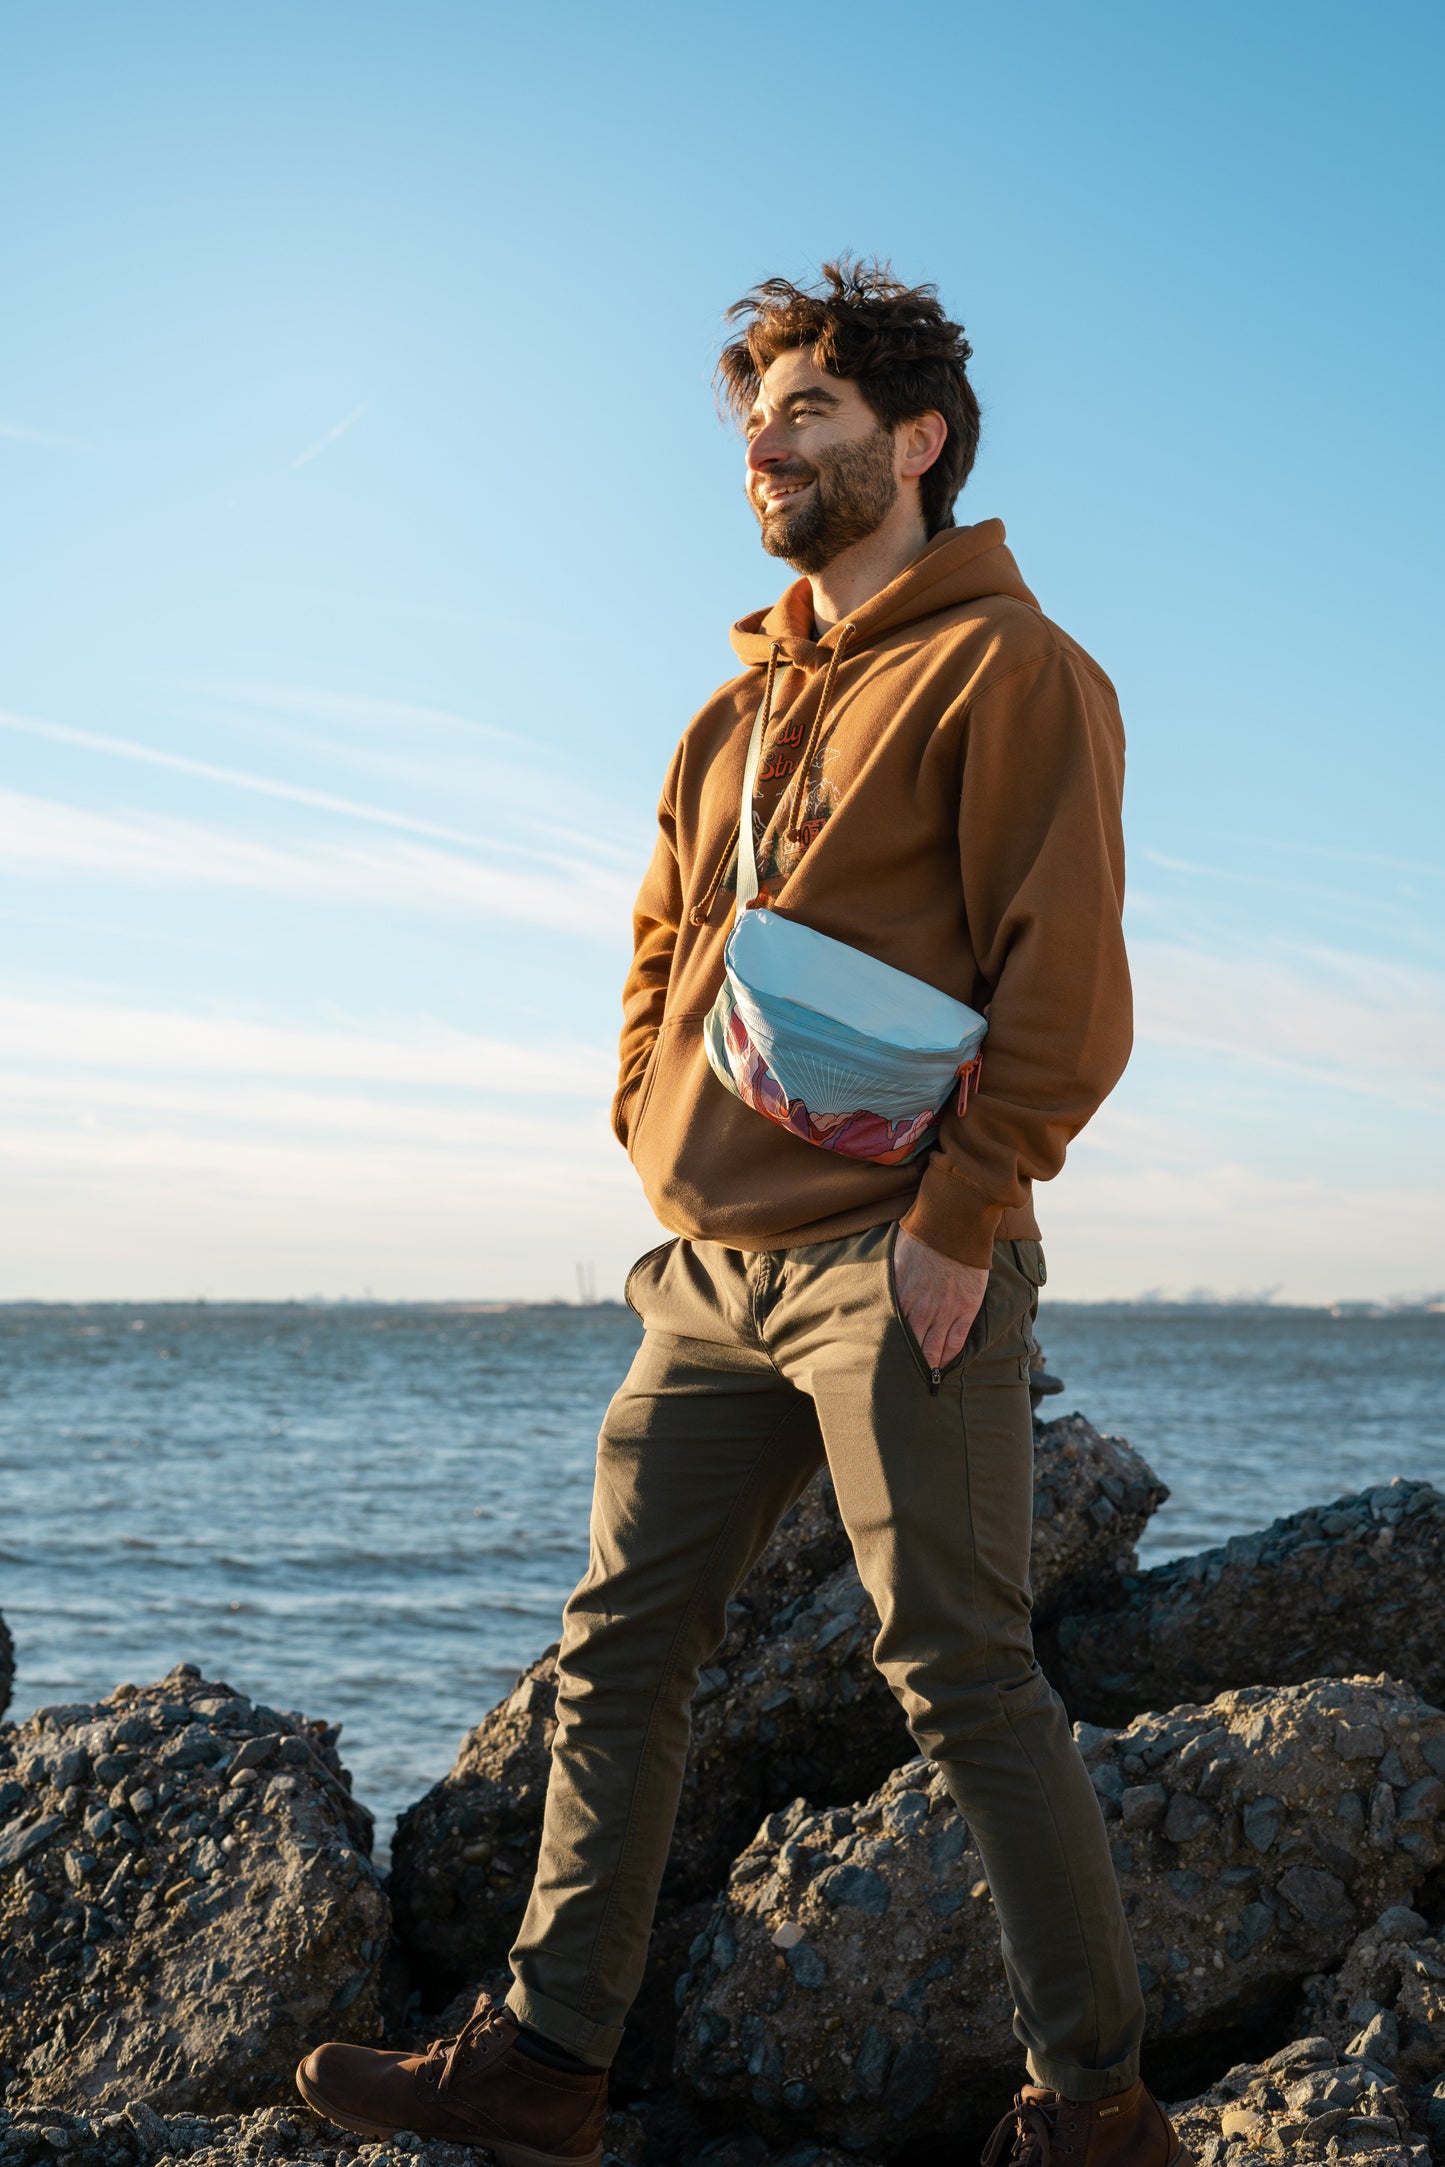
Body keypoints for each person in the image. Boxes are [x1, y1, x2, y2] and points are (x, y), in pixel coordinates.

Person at [297, 259, 1189, 2167]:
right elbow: (655, 944)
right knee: (617, 1653)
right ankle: (546, 2064)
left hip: (900, 1261)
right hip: (706, 1274)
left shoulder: (1010, 670)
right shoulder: (727, 715)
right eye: (756, 418)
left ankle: (1095, 2110)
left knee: (957, 1670)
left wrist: (961, 1215)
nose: (771, 444)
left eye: (810, 409)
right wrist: (650, 1119)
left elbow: (1067, 984)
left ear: (917, 437)